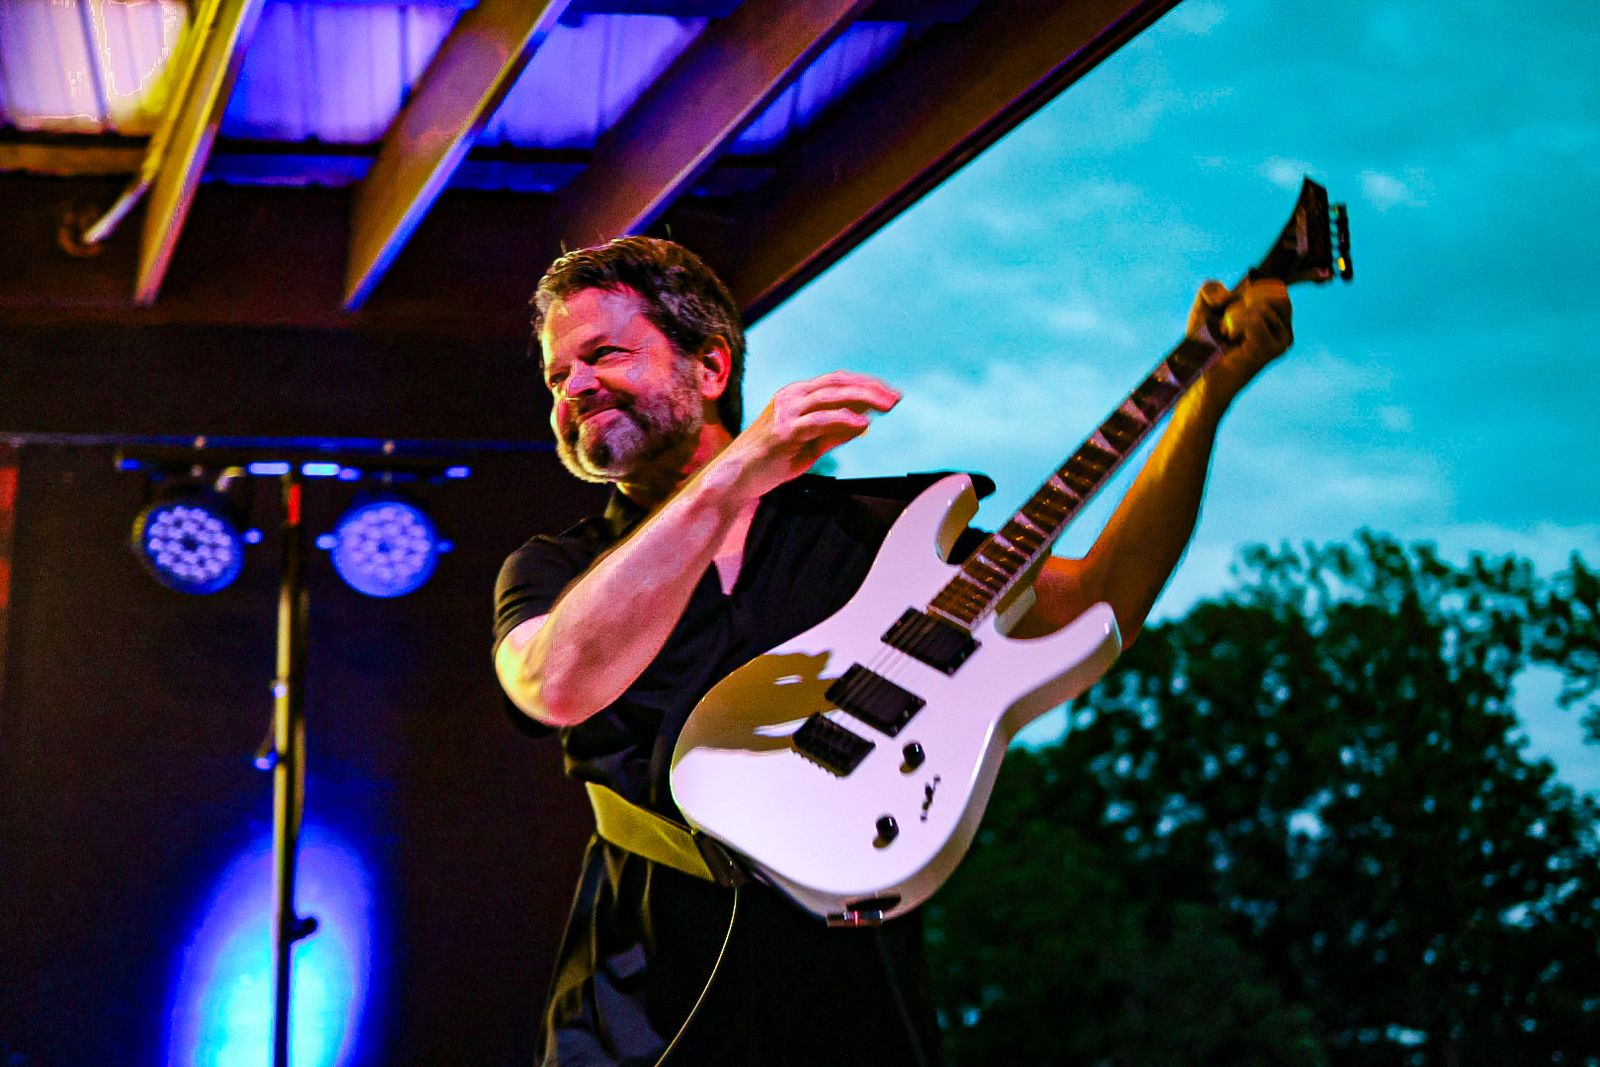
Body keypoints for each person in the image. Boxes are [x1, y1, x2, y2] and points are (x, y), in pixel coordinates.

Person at [494, 236, 1293, 1065]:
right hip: (635, 1019)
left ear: (712, 367)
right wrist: (736, 475)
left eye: (604, 355)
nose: (574, 388)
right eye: (557, 377)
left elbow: (1099, 600)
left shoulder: (876, 534)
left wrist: (1206, 398)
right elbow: (553, 682)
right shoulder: (557, 569)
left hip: (859, 1007)